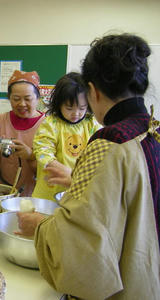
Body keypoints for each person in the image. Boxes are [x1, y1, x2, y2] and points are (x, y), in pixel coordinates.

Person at [17, 33, 160, 299]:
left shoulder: (110, 143)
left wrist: (39, 226)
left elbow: (81, 244)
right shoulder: (152, 130)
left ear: (92, 91)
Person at [0, 70, 45, 196]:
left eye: (28, 99)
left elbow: (54, 169)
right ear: (9, 98)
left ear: (38, 98)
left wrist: (31, 156)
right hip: (0, 195)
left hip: (34, 196)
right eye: (16, 99)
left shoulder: (48, 126)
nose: (22, 104)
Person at [31, 72, 101, 201]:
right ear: (59, 104)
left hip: (78, 191)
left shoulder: (91, 124)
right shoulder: (51, 124)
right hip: (49, 193)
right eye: (69, 108)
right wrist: (62, 169)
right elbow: (42, 152)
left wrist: (76, 177)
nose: (76, 113)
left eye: (82, 108)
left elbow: (99, 152)